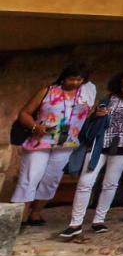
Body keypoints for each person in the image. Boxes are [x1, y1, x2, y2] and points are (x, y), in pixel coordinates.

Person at [63, 71, 123, 238]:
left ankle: (99, 220)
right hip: (101, 142)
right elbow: (96, 116)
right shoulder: (110, 97)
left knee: (111, 182)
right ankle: (75, 223)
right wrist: (98, 113)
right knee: (85, 181)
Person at [12, 67, 92, 226]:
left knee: (51, 179)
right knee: (30, 177)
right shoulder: (48, 91)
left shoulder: (85, 95)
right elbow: (24, 113)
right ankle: (20, 216)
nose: (75, 82)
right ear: (63, 78)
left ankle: (36, 213)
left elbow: (87, 116)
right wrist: (35, 127)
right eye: (72, 79)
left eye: (79, 79)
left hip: (66, 143)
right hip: (40, 141)